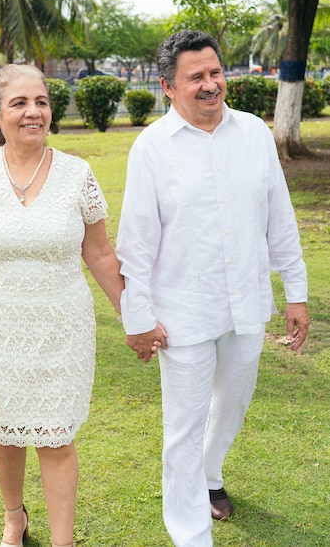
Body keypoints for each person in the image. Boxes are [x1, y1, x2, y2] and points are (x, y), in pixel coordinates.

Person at [116, 30, 309, 547]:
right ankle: (190, 533)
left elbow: (279, 218)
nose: (210, 84)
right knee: (183, 425)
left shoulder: (252, 133)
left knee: (232, 406)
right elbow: (135, 243)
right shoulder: (151, 147)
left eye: (215, 72)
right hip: (182, 313)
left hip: (246, 303)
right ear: (168, 87)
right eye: (195, 77)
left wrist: (296, 291)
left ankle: (210, 473)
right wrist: (136, 318)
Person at [0, 64, 125, 547]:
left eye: (41, 102)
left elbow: (98, 252)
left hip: (62, 330)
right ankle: (14, 517)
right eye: (19, 103)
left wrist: (133, 315)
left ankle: (64, 542)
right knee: (7, 433)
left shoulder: (78, 173)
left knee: (57, 436)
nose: (33, 112)